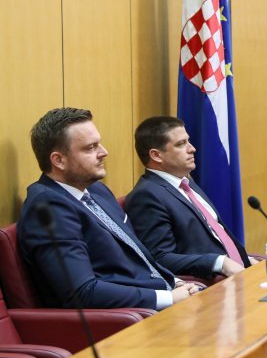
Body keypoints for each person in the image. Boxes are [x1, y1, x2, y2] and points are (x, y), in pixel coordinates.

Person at [17, 108, 201, 310]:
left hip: (160, 296)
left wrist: (175, 283)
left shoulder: (96, 190)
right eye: (90, 148)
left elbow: (135, 257)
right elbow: (82, 293)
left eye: (99, 143)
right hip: (125, 322)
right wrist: (168, 298)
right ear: (58, 160)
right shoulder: (49, 207)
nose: (104, 152)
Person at [125, 116, 252, 280]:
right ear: (156, 155)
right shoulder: (146, 196)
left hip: (238, 272)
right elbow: (159, 258)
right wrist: (218, 262)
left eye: (188, 141)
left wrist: (245, 260)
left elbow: (215, 233)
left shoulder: (186, 182)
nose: (192, 149)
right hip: (210, 285)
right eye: (180, 144)